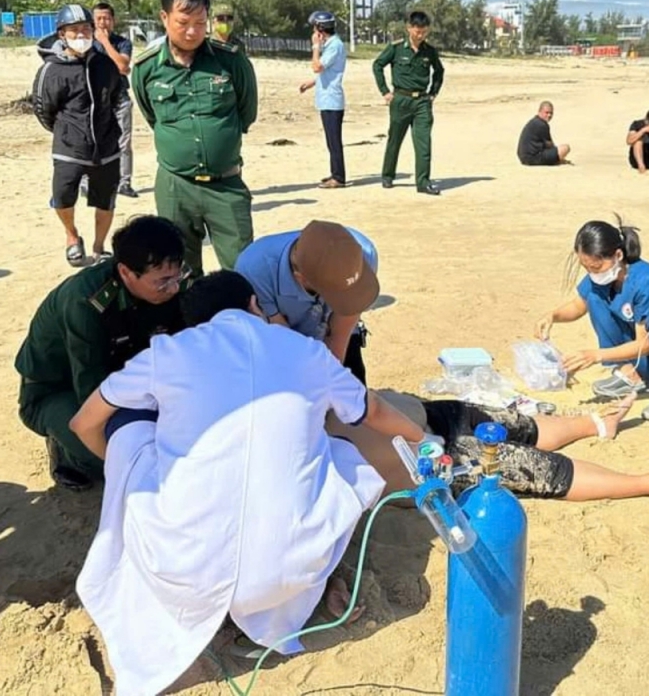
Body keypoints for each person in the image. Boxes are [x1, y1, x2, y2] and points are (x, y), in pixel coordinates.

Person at [70, 270, 426, 696]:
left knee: (129, 426)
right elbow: (374, 411)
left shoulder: (169, 351)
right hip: (288, 576)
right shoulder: (306, 351)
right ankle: (315, 581)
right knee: (340, 451)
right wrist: (424, 440)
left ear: (194, 321)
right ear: (255, 305)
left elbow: (83, 422)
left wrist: (127, 471)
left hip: (180, 573)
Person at [14, 216, 187, 490]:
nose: (174, 288)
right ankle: (66, 454)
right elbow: (89, 390)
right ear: (127, 272)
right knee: (117, 459)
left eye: (178, 277)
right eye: (163, 282)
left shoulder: (170, 280)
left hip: (126, 378)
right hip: (59, 391)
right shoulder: (86, 303)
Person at [132, 0, 259, 277]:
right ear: (164, 18)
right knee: (179, 272)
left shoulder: (231, 61)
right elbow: (152, 117)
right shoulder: (146, 68)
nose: (192, 31)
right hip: (176, 186)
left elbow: (246, 113)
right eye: (183, 22)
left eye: (201, 22)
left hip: (226, 185)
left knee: (242, 270)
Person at [383, 392, 649, 502]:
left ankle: (595, 424)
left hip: (421, 417)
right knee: (539, 469)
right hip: (421, 460)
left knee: (509, 424)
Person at [536, 218, 649, 425]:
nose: (592, 273)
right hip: (644, 362)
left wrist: (595, 355)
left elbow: (644, 344)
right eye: (586, 268)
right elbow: (578, 305)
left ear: (618, 255)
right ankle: (631, 374)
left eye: (596, 266)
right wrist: (552, 316)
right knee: (595, 296)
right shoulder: (601, 279)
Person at [32, 4, 130, 266]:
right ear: (61, 34)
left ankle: (99, 247)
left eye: (86, 29)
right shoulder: (51, 70)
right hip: (68, 147)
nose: (81, 35)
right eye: (74, 30)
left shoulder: (105, 65)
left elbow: (118, 95)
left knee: (106, 200)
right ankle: (72, 236)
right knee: (63, 196)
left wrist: (110, 130)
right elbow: (43, 109)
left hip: (107, 148)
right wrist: (66, 131)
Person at [235, 219, 378, 385]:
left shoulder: (362, 254)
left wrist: (332, 381)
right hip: (287, 338)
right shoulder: (255, 270)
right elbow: (284, 342)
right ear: (300, 277)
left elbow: (340, 334)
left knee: (352, 394)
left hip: (335, 329)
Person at [372, 11, 445, 195]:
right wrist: (385, 91)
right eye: (417, 31)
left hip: (422, 101)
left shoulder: (429, 51)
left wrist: (433, 93)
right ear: (409, 28)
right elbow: (377, 65)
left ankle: (423, 182)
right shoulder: (396, 48)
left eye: (424, 32)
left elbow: (439, 71)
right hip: (400, 100)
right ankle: (388, 175)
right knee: (395, 140)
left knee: (423, 143)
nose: (420, 35)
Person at [92, 2, 138, 199]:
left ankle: (124, 182)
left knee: (124, 143)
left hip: (119, 99)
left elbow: (123, 67)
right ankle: (89, 181)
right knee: (93, 141)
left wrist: (105, 42)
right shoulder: (86, 43)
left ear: (113, 20)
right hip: (95, 101)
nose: (103, 22)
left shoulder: (122, 43)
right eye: (99, 18)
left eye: (107, 18)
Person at [298, 10, 348, 189]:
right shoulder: (331, 45)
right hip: (326, 98)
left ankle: (339, 177)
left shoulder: (335, 45)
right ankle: (335, 172)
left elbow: (317, 66)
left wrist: (315, 47)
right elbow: (326, 72)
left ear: (320, 29)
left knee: (334, 141)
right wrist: (311, 84)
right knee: (330, 140)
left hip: (332, 100)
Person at [517, 101, 571, 166]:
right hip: (532, 158)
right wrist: (557, 155)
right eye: (546, 113)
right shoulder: (542, 125)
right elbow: (549, 144)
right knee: (565, 148)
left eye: (551, 113)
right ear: (539, 112)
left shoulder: (534, 121)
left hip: (523, 158)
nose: (549, 115)